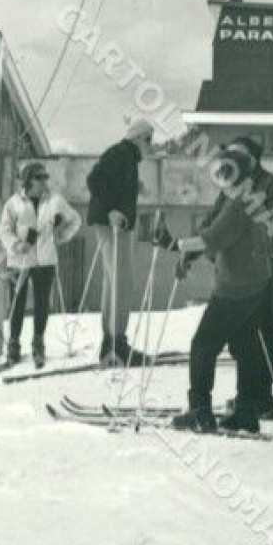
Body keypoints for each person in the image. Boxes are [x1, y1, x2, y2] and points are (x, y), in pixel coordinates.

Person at [163, 146, 273, 433]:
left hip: (234, 287)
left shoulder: (238, 205)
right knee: (245, 346)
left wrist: (173, 244)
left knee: (203, 344)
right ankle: (246, 412)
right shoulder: (256, 200)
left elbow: (212, 236)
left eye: (222, 172)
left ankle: (200, 412)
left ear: (231, 174)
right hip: (256, 284)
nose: (220, 179)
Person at [217, 137, 273, 378]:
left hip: (269, 273)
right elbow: (213, 225)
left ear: (252, 159)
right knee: (240, 337)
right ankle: (247, 397)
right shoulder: (230, 190)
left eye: (239, 156)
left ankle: (260, 398)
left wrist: (256, 254)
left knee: (265, 334)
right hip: (236, 277)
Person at [0, 161, 83, 367]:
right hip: (19, 262)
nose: (44, 182)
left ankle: (38, 344)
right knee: (17, 303)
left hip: (45, 260)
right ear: (28, 181)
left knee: (42, 303)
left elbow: (76, 220)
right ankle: (14, 344)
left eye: (46, 177)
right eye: (39, 178)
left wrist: (60, 236)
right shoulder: (14, 203)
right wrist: (17, 245)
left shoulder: (56, 201)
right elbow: (4, 230)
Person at [86, 118, 154, 365]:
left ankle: (110, 343)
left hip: (114, 225)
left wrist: (135, 186)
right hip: (112, 225)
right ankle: (118, 344)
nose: (150, 144)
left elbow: (112, 182)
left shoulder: (126, 156)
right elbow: (94, 179)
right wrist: (111, 210)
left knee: (114, 281)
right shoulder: (120, 153)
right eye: (148, 138)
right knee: (123, 282)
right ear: (136, 137)